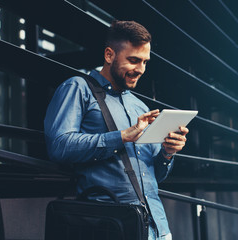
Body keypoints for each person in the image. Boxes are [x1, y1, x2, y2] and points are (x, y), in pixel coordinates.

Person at [44, 20, 189, 240]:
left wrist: (168, 153)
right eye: (133, 60)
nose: (140, 69)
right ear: (110, 55)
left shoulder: (140, 106)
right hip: (112, 227)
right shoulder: (77, 88)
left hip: (158, 228)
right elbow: (58, 146)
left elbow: (154, 176)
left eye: (144, 62)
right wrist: (121, 137)